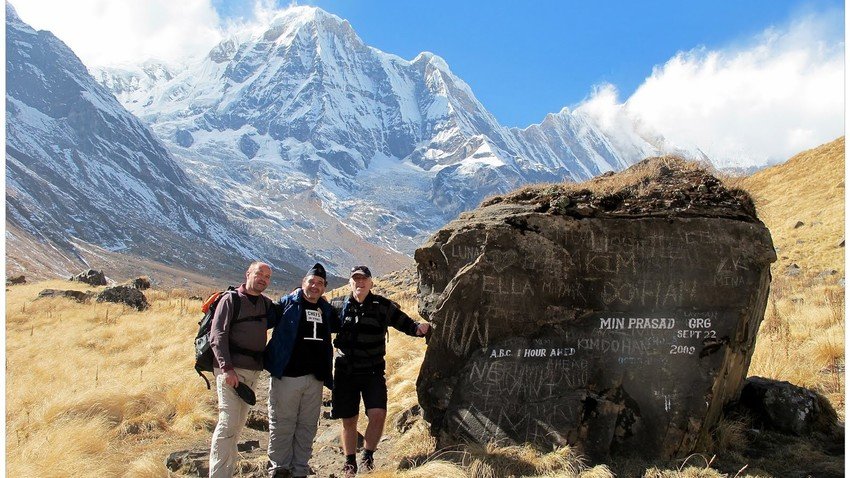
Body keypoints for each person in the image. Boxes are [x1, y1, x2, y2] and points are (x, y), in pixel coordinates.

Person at [330, 265, 431, 478]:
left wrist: (419, 329)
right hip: (345, 371)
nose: (359, 282)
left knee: (378, 414)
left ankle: (367, 455)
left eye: (363, 279)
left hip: (373, 371)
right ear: (350, 282)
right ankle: (350, 463)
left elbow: (405, 323)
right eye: (355, 279)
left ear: (371, 283)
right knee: (349, 419)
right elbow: (317, 328)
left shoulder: (382, 306)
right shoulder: (337, 306)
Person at [264, 263, 340, 478]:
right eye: (311, 281)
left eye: (319, 283)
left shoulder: (326, 310)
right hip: (287, 376)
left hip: (314, 379)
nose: (314, 286)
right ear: (303, 282)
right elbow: (260, 322)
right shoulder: (287, 304)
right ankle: (279, 468)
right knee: (282, 423)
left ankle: (300, 469)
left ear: (324, 287)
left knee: (307, 426)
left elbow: (344, 324)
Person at [209, 261, 274, 478]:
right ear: (248, 274)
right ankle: (218, 474)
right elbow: (217, 335)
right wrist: (227, 369)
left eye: (267, 276)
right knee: (228, 423)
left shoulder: (265, 304)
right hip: (230, 372)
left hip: (252, 373)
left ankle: (226, 471)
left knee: (237, 427)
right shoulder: (231, 300)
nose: (263, 279)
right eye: (259, 273)